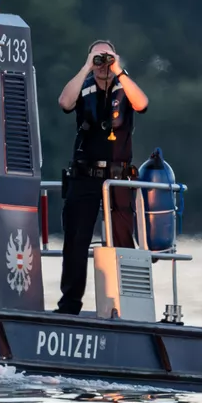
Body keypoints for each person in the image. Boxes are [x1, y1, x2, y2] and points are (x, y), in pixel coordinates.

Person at [54, 40, 150, 315]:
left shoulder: (124, 86)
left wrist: (118, 70)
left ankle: (128, 306)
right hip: (85, 174)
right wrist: (87, 66)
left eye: (106, 58)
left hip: (117, 177)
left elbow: (142, 103)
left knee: (122, 239)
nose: (102, 65)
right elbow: (64, 102)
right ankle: (70, 304)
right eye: (98, 59)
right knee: (76, 240)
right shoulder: (83, 86)